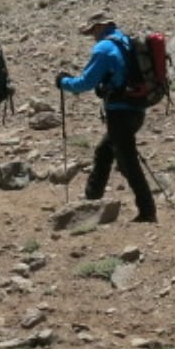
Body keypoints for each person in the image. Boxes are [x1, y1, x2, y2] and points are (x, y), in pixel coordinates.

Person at [57, 12, 157, 223]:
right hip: (137, 110)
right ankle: (92, 200)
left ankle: (147, 211)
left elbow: (86, 82)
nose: (92, 35)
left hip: (120, 112)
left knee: (128, 162)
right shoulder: (126, 41)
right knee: (104, 151)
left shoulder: (104, 47)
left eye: (93, 30)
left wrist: (64, 82)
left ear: (100, 26)